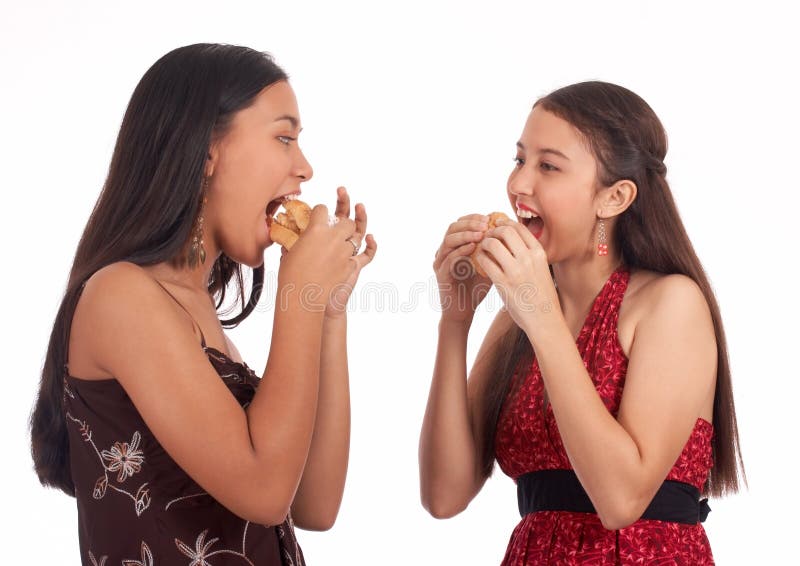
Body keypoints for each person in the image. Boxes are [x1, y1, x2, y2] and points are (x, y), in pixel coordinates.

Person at [30, 43, 376, 565]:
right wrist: (298, 296)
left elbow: (314, 505)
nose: (304, 168)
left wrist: (327, 312)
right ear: (207, 150)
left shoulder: (203, 324)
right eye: (284, 137)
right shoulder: (121, 296)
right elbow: (265, 490)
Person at [419, 81, 744, 564]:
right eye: (519, 159)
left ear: (614, 198)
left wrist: (543, 320)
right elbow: (444, 496)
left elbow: (620, 501)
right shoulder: (516, 322)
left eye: (548, 166)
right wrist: (456, 319)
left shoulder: (670, 303)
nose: (518, 185)